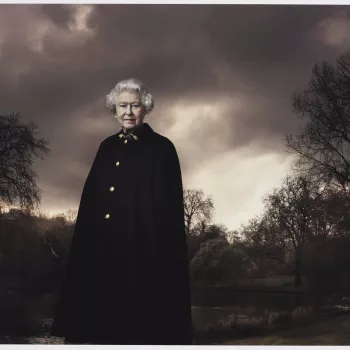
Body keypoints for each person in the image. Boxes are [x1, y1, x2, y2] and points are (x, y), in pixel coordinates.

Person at [50, 78, 193, 345]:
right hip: (100, 255)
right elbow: (91, 204)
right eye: (122, 106)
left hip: (141, 255)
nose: (128, 112)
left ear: (145, 108)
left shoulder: (162, 149)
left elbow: (167, 215)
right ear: (114, 110)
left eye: (135, 105)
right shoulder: (106, 147)